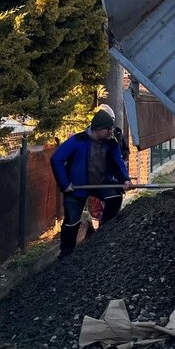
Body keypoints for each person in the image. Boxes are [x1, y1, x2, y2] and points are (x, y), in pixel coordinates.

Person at [51, 110, 132, 258]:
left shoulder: (111, 143)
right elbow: (56, 159)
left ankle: (103, 235)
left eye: (111, 129)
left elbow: (118, 162)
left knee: (114, 197)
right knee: (72, 221)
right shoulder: (78, 141)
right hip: (76, 186)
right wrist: (65, 183)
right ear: (97, 129)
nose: (110, 132)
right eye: (107, 129)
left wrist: (125, 179)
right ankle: (66, 254)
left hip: (101, 182)